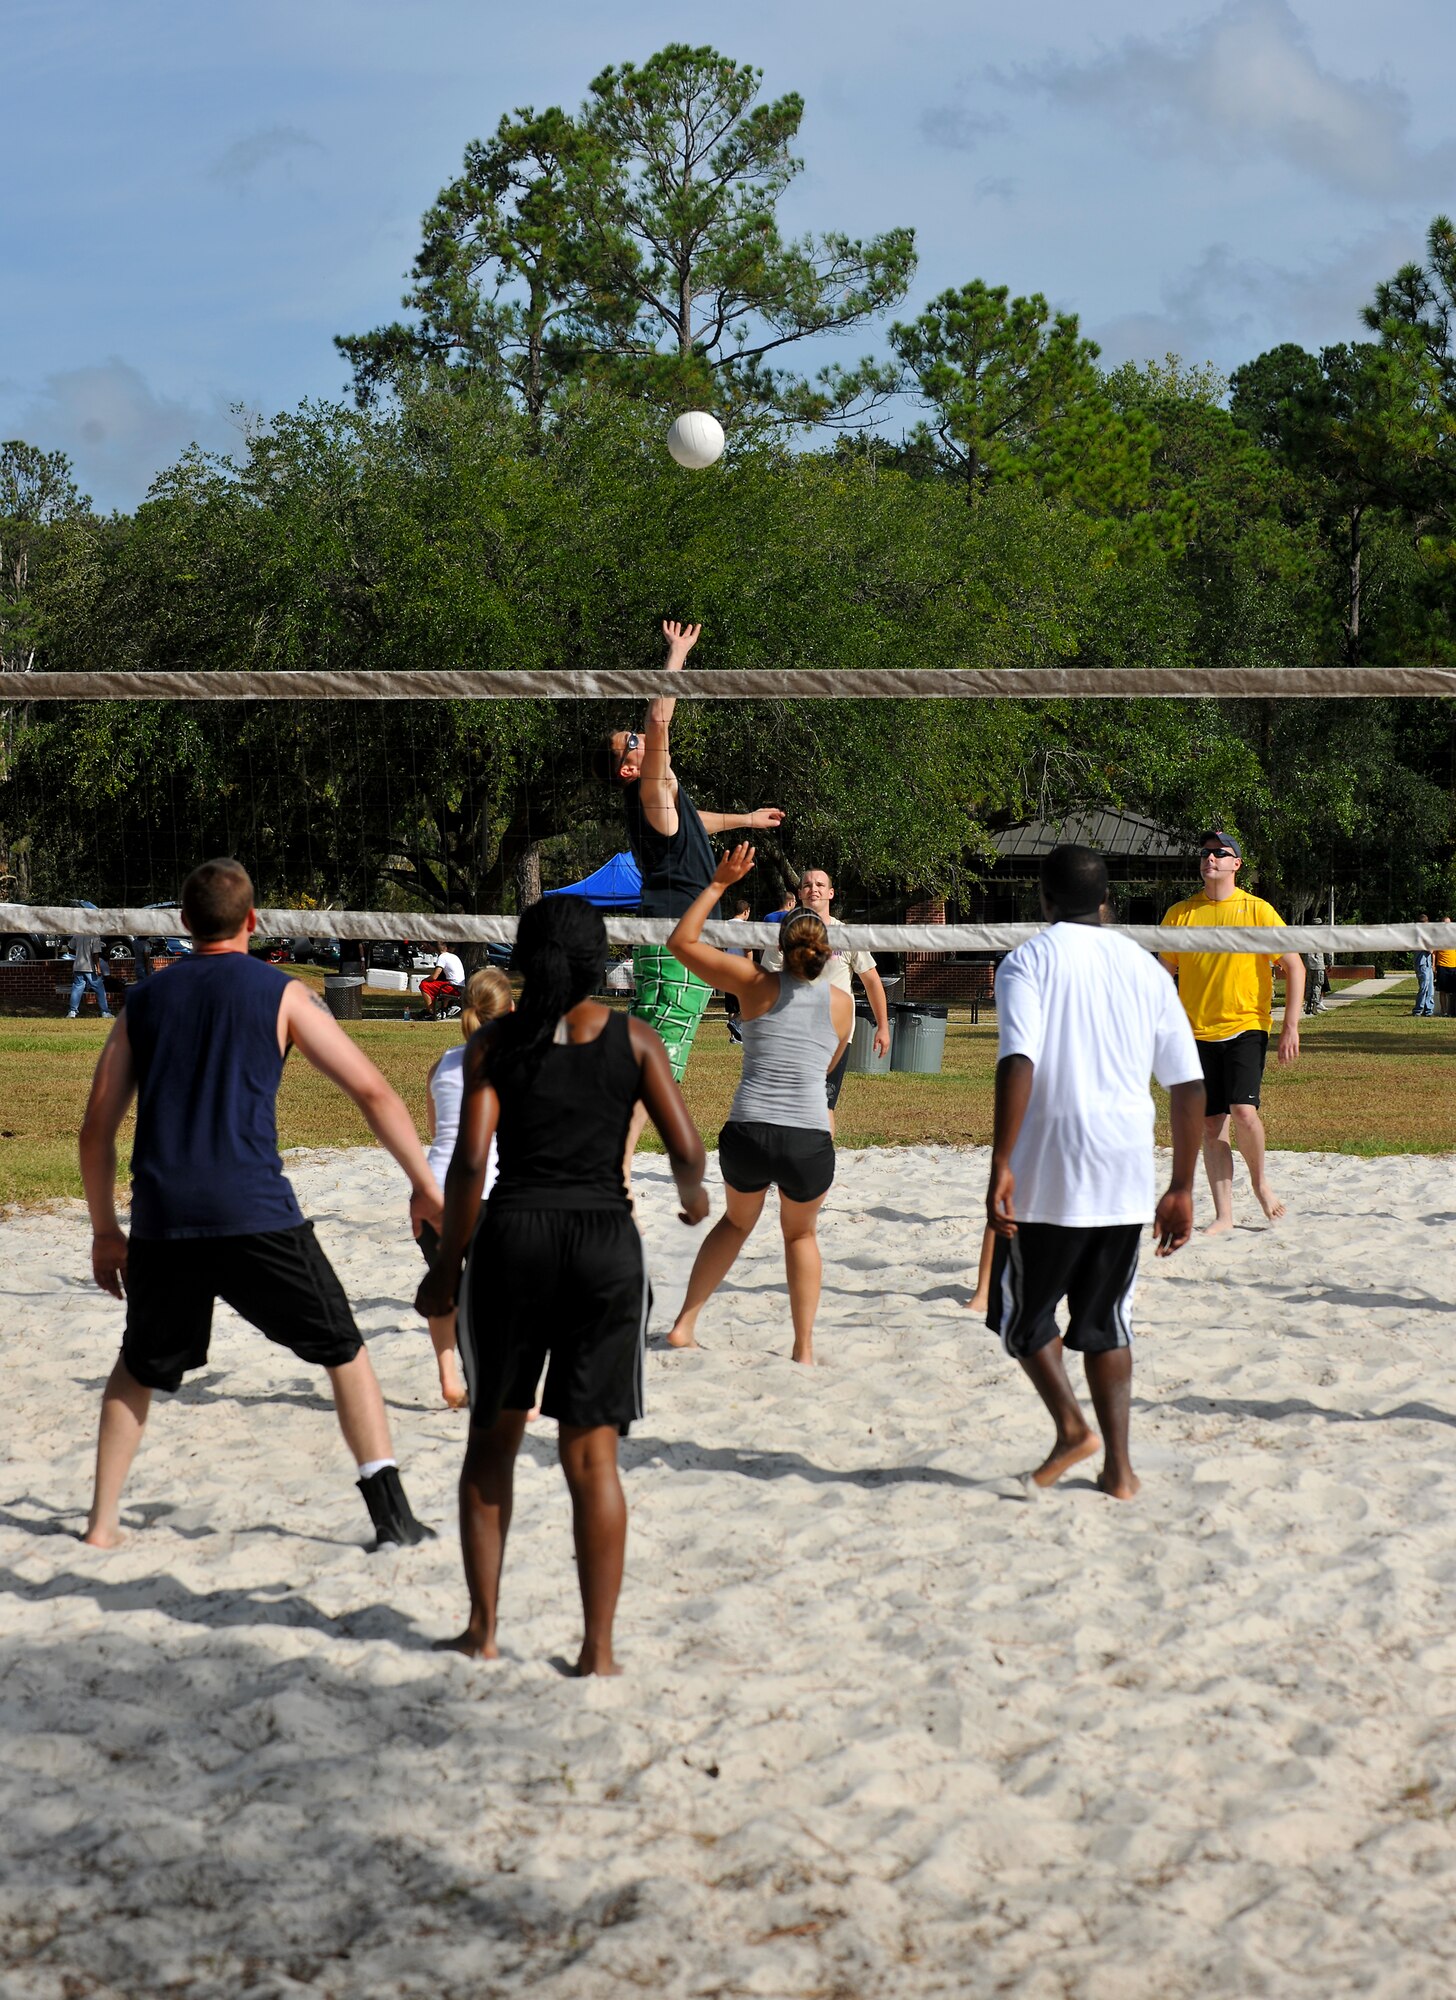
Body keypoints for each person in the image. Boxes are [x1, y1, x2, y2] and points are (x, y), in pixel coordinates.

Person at [78, 857, 443, 1551]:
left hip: (163, 1214)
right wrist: (423, 1183)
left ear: (183, 923)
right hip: (254, 1209)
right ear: (252, 921)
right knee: (344, 1350)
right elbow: (372, 1091)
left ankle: (100, 1525)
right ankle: (392, 1516)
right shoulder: (283, 994)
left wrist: (105, 1230)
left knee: (140, 1364)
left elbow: (96, 1128)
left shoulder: (146, 1001)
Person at [416, 894, 708, 1675]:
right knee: (592, 1462)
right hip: (605, 1248)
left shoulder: (495, 1046)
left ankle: (482, 1631)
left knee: (492, 1444)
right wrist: (694, 1199)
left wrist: (446, 1273)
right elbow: (686, 1147)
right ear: (595, 959)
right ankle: (598, 1651)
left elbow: (471, 1166)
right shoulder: (633, 1039)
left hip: (513, 1242)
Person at [987, 845, 1206, 1500]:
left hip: (1050, 1166)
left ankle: (1071, 1429)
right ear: (1107, 900)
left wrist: (1001, 1161)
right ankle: (1120, 1469)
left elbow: (1017, 1061)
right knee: (1106, 1320)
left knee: (1020, 1317)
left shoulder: (1028, 960)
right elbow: (1189, 1085)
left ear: (1044, 901)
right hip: (1125, 1164)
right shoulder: (1146, 970)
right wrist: (1182, 1184)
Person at [597, 619, 784, 1177]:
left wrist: (747, 818)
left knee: (651, 1040)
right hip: (680, 932)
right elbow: (658, 717)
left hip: (671, 929)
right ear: (632, 766)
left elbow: (693, 823)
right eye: (631, 745)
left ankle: (613, 1146)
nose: (639, 737)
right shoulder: (649, 788)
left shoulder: (658, 806)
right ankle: (620, 1162)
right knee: (663, 1051)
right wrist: (675, 654)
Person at [664, 845, 853, 1366]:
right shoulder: (842, 1003)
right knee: (801, 1234)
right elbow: (828, 1065)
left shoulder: (752, 984)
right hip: (807, 1137)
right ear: (826, 950)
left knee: (735, 1223)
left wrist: (720, 884)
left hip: (748, 1131)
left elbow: (681, 940)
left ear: (780, 945)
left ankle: (684, 1325)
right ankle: (804, 1349)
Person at [1160, 830, 1303, 1234]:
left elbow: (1294, 965)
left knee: (1244, 1112)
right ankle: (1224, 1215)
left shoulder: (1258, 910)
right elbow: (1162, 973)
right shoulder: (1180, 913)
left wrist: (1290, 1026)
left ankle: (1260, 1184)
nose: (1211, 858)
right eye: (1205, 853)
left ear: (1236, 864)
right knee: (1210, 1125)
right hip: (1195, 1032)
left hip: (1246, 1025)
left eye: (1220, 853)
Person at [420, 966, 514, 1409]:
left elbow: (436, 1128)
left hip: (430, 1189)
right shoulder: (516, 1062)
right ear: (510, 1009)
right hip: (481, 1191)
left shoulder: (442, 1060)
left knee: (445, 1285)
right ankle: (496, 1385)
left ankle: (449, 1380)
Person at [759, 866, 890, 1127]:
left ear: (830, 893)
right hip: (793, 1031)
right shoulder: (785, 935)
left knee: (824, 1104)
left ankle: (821, 1162)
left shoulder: (846, 935)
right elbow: (765, 982)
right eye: (807, 885)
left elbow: (872, 981)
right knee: (790, 1105)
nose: (813, 889)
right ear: (799, 894)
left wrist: (883, 1027)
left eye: (819, 885)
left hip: (835, 1032)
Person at [722, 897, 752, 1041]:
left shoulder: (725, 925)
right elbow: (748, 949)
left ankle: (734, 1036)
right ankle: (738, 1026)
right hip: (741, 967)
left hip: (727, 967)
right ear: (746, 911)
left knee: (732, 1005)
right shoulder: (745, 927)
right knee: (749, 1002)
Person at [67, 929, 112, 1019]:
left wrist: (79, 953)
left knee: (77, 988)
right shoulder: (94, 936)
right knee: (99, 989)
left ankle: (72, 1011)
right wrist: (98, 968)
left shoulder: (77, 934)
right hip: (90, 967)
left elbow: (70, 947)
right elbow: (95, 954)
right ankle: (105, 1011)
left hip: (78, 966)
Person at [419, 945, 466, 1021]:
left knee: (424, 985)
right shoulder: (454, 956)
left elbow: (434, 976)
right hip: (460, 987)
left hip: (453, 988)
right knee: (434, 985)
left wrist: (424, 980)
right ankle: (443, 1009)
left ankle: (431, 1013)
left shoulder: (442, 957)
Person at [1412, 920, 1436, 1017]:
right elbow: (1430, 950)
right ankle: (1418, 1010)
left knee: (1430, 989)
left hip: (1427, 964)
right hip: (1422, 965)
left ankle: (1428, 1010)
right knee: (1424, 988)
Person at [1435, 923, 1456, 1017]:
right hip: (1442, 966)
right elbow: (1434, 954)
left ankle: (1453, 1011)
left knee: (1453, 991)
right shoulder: (1438, 939)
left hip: (1453, 967)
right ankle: (1444, 1012)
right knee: (1442, 991)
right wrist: (1433, 966)